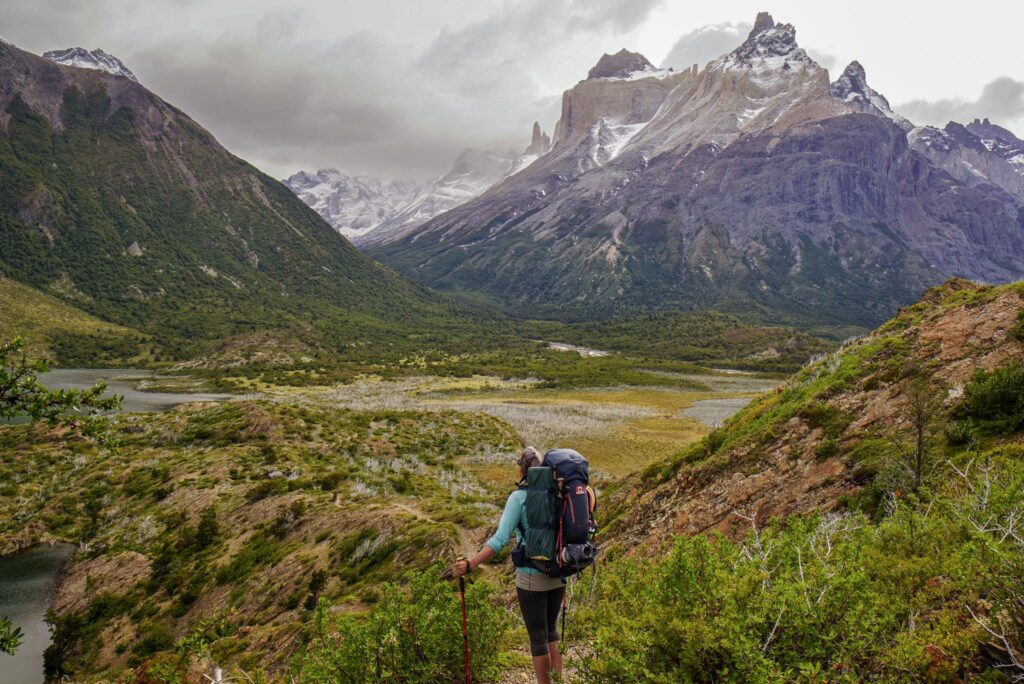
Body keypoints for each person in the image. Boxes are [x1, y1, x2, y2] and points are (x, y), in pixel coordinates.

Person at [454, 447, 591, 684]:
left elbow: (499, 540)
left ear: (522, 469)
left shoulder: (518, 498)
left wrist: (470, 564)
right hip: (558, 573)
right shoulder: (559, 494)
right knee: (551, 632)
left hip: (530, 577)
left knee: (538, 639)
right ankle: (558, 681)